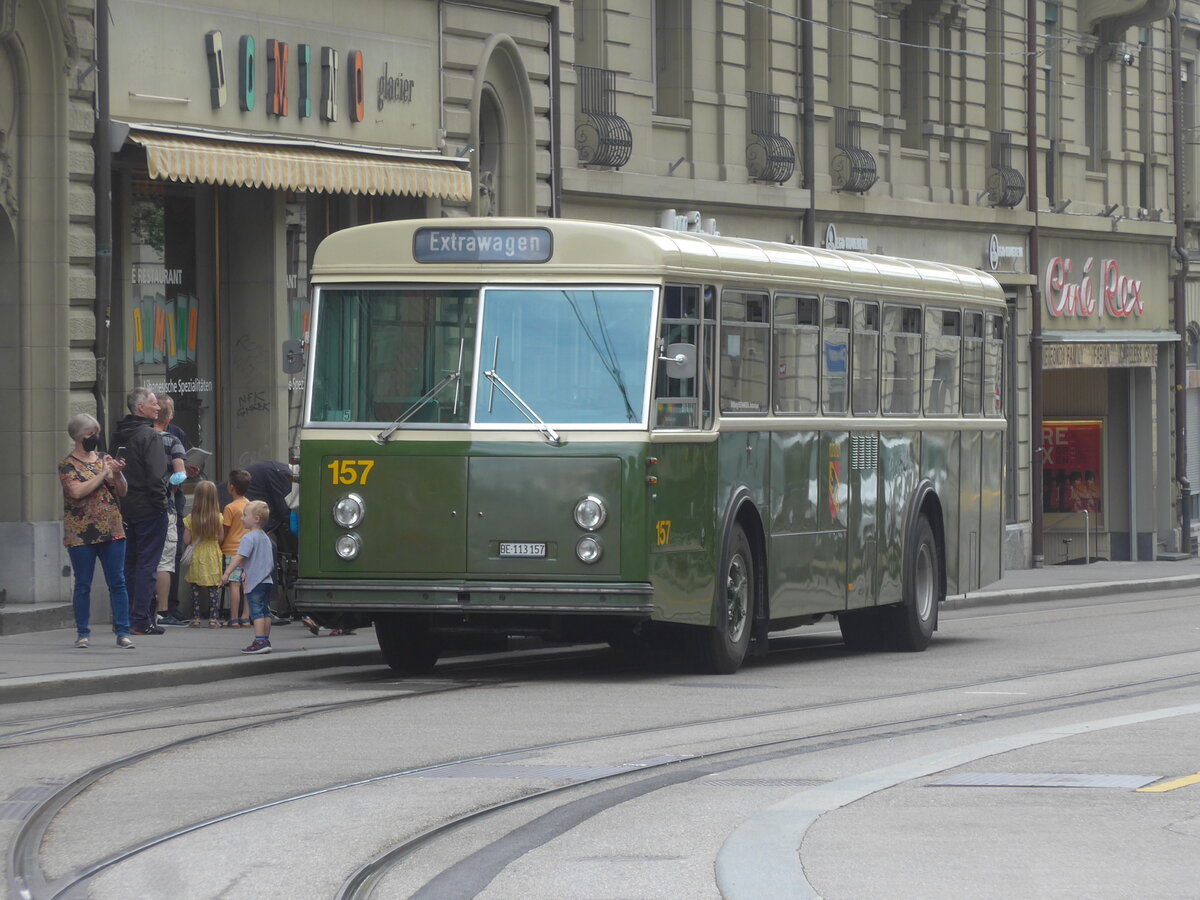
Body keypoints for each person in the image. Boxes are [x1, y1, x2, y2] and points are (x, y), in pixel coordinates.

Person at [59, 413, 135, 649]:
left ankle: (123, 631)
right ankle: (83, 633)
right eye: (90, 434)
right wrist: (103, 473)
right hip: (81, 532)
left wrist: (119, 473)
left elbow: (122, 491)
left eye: (96, 433)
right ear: (78, 436)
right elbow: (77, 492)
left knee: (118, 581)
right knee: (83, 583)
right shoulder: (67, 465)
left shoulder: (105, 458)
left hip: (112, 528)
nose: (95, 437)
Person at [113, 387, 172, 635]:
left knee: (129, 564)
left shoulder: (118, 435)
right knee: (147, 565)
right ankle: (141, 620)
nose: (158, 407)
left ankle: (125, 618)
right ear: (141, 408)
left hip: (126, 507)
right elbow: (157, 477)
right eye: (153, 403)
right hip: (149, 508)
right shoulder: (150, 436)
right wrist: (162, 506)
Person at [220, 500, 275, 654]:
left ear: (256, 519)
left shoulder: (248, 538)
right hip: (267, 580)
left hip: (254, 581)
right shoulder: (266, 538)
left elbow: (239, 557)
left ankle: (259, 641)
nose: (242, 518)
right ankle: (266, 638)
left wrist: (227, 573)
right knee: (265, 611)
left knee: (256, 612)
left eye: (245, 515)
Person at [153, 396, 189, 626]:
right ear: (170, 417)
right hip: (165, 504)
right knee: (165, 560)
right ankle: (163, 611)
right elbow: (180, 474)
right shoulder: (172, 440)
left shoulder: (138, 437)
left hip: (138, 507)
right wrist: (174, 482)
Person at [183, 481, 225, 627]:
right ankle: (213, 619)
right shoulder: (218, 517)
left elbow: (186, 539)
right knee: (213, 588)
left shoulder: (191, 518)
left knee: (195, 588)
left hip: (197, 555)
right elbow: (220, 538)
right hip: (213, 553)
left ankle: (196, 618)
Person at [220, 469, 251, 627]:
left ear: (231, 487)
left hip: (232, 549)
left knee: (234, 583)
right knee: (247, 584)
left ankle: (233, 618)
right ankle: (246, 617)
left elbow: (225, 531)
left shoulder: (230, 508)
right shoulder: (250, 505)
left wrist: (219, 545)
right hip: (248, 550)